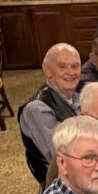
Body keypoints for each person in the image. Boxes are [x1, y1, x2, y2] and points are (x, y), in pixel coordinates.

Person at [18, 43, 81, 183]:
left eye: (75, 66)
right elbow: (62, 159)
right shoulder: (37, 109)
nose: (71, 72)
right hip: (65, 184)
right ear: (48, 70)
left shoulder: (77, 96)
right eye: (62, 67)